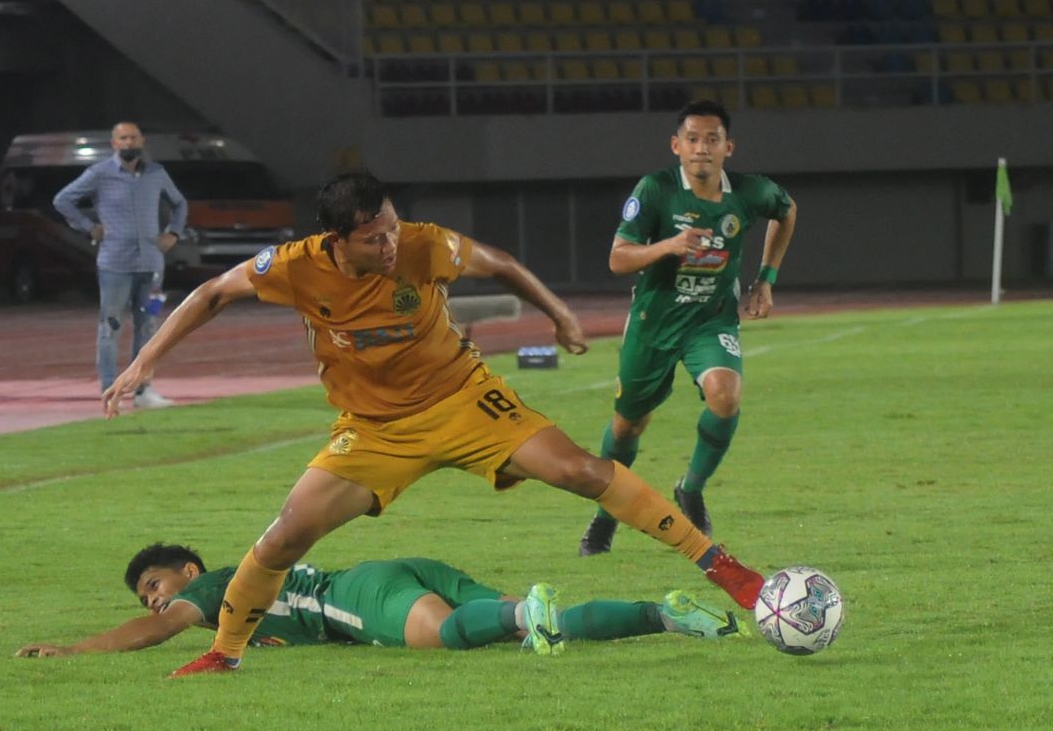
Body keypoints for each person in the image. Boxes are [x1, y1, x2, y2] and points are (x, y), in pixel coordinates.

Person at [100, 171, 765, 677]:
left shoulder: (422, 246)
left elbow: (498, 261)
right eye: (373, 237)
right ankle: (225, 654)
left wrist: (559, 314)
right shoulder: (296, 266)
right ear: (338, 241)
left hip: (465, 400)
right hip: (374, 431)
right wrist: (142, 363)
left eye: (391, 226)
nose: (390, 243)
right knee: (281, 539)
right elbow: (212, 293)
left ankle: (722, 567)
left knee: (580, 471)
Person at [578, 100, 798, 557]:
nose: (702, 148)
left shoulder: (751, 192)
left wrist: (766, 279)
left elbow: (788, 210)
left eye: (712, 139)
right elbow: (618, 258)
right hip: (654, 322)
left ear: (728, 147)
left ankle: (690, 488)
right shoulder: (656, 190)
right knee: (627, 427)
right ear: (677, 146)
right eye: (693, 139)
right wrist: (669, 246)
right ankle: (604, 517)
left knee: (726, 394)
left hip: (710, 318)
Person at [15, 543, 747, 660]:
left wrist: (74, 650)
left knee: (449, 640)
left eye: (154, 587)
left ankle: (529, 610)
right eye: (147, 596)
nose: (154, 602)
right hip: (397, 566)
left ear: (188, 570)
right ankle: (666, 614)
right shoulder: (235, 578)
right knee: (520, 635)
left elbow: (160, 633)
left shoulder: (214, 588)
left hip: (354, 596)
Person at [53, 121, 187, 409]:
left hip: (152, 266)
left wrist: (174, 233)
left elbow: (180, 203)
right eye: (123, 138)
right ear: (114, 143)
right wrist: (88, 227)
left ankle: (143, 391)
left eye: (133, 138)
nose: (128, 143)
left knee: (149, 325)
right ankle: (109, 391)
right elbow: (62, 200)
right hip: (115, 265)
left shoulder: (156, 173)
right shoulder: (100, 174)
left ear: (142, 141)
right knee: (110, 326)